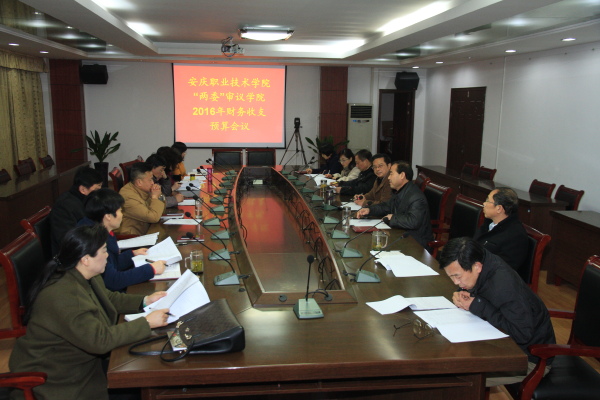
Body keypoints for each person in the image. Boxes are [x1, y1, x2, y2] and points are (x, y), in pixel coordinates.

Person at [9, 225, 170, 400]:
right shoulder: (65, 296)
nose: (108, 255)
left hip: (81, 363)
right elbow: (100, 341)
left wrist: (145, 301)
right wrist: (146, 323)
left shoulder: (82, 274)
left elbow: (109, 298)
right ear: (86, 259)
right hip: (58, 379)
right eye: (104, 251)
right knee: (142, 384)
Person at [439, 237, 555, 387]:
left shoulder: (504, 286)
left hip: (529, 359)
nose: (455, 282)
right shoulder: (482, 259)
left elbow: (522, 334)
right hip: (503, 346)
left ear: (477, 267)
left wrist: (478, 305)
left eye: (458, 276)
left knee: (455, 378)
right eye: (451, 277)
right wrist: (462, 292)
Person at [78, 188, 167, 291]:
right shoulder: (94, 240)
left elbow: (113, 263)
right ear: (108, 216)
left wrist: (132, 254)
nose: (122, 215)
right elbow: (113, 281)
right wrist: (151, 269)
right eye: (120, 210)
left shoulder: (102, 229)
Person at [357, 161, 433, 250]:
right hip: (402, 235)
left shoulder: (415, 197)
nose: (389, 178)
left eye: (391, 174)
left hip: (416, 244)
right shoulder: (400, 191)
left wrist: (392, 218)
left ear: (402, 175)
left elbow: (413, 221)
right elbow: (386, 207)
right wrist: (369, 210)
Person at [50, 166, 103, 255]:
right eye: (97, 189)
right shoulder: (64, 207)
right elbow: (68, 242)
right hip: (72, 256)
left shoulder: (85, 201)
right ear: (83, 189)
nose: (99, 193)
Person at [474, 187, 529, 273]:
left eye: (488, 201)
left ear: (499, 208)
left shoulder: (515, 235)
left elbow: (503, 269)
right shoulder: (488, 224)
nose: (484, 203)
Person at [116, 162, 166, 235]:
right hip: (132, 237)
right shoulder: (128, 196)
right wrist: (155, 197)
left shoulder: (143, 189)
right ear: (139, 182)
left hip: (146, 231)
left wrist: (159, 196)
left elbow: (161, 210)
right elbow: (154, 218)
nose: (152, 183)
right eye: (150, 180)